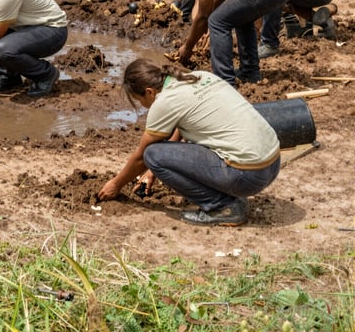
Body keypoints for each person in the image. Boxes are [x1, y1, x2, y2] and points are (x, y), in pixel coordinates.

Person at [98, 58, 280, 226]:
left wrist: (116, 184)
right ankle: (230, 194)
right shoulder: (197, 76)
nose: (144, 107)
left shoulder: (164, 101)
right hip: (272, 163)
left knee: (152, 155)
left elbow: (141, 158)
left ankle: (222, 206)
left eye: (140, 101)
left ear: (149, 92)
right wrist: (152, 173)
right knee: (158, 157)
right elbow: (184, 121)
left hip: (249, 175)